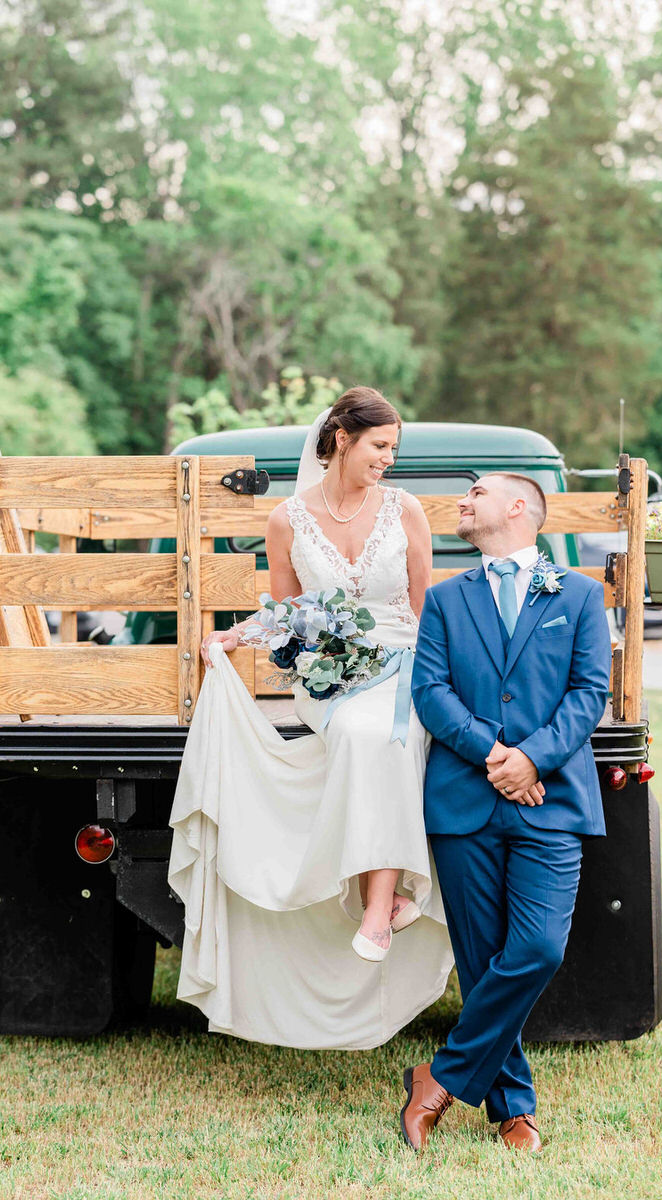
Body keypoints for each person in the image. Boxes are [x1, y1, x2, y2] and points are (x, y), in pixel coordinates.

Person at [167, 388, 453, 1049]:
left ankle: (380, 907)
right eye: (381, 446)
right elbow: (287, 609)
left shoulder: (404, 510)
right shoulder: (287, 520)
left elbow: (422, 608)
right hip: (330, 677)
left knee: (384, 732)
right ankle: (396, 897)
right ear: (343, 439)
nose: (389, 459)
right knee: (354, 728)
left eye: (394, 449)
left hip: (403, 661)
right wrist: (232, 639)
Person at [401, 474, 611, 1152]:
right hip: (464, 800)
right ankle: (513, 1108)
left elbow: (589, 693)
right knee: (483, 957)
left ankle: (437, 1080)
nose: (463, 502)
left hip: (552, 800)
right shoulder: (443, 599)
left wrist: (532, 759)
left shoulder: (578, 594)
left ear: (519, 508)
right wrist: (495, 755)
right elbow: (429, 692)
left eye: (477, 493)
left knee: (538, 947)